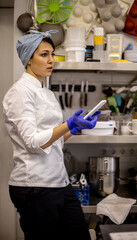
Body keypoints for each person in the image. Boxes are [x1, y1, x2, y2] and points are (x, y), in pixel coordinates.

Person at [2, 31, 100, 240]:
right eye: (44, 55)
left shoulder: (45, 91)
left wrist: (73, 130)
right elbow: (32, 143)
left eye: (52, 54)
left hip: (59, 182)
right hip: (35, 186)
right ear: (29, 58)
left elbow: (51, 140)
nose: (51, 60)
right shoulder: (19, 92)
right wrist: (67, 124)